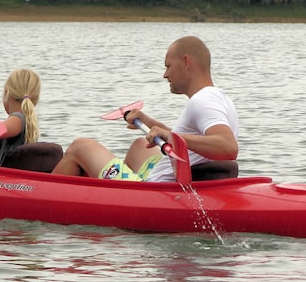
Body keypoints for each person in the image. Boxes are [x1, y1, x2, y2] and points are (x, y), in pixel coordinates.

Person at [52, 35, 238, 182]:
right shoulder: (218, 97)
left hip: (156, 188)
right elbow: (191, 143)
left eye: (168, 66)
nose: (165, 75)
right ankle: (110, 193)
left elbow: (228, 147)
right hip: (170, 178)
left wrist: (171, 136)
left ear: (186, 62)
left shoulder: (202, 100)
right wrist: (149, 123)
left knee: (80, 146)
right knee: (140, 145)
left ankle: (44, 194)